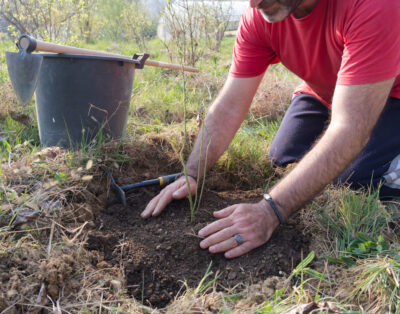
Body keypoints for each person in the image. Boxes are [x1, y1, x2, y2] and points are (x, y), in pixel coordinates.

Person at [140, 0, 400, 259]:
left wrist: (272, 210)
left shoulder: (373, 5)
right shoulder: (258, 17)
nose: (254, 3)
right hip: (327, 90)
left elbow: (350, 126)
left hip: (391, 93)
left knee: (352, 181)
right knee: (283, 160)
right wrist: (192, 173)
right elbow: (229, 106)